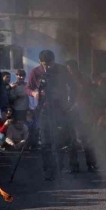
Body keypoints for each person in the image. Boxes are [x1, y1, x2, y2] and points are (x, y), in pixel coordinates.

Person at [26, 49, 78, 179]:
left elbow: (73, 86)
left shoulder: (61, 70)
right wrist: (34, 93)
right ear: (40, 62)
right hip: (43, 109)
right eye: (45, 64)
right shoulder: (35, 72)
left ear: (54, 61)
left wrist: (70, 103)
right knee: (45, 142)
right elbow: (28, 87)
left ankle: (59, 167)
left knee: (60, 140)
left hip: (60, 110)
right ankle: (48, 169)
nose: (48, 67)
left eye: (50, 64)